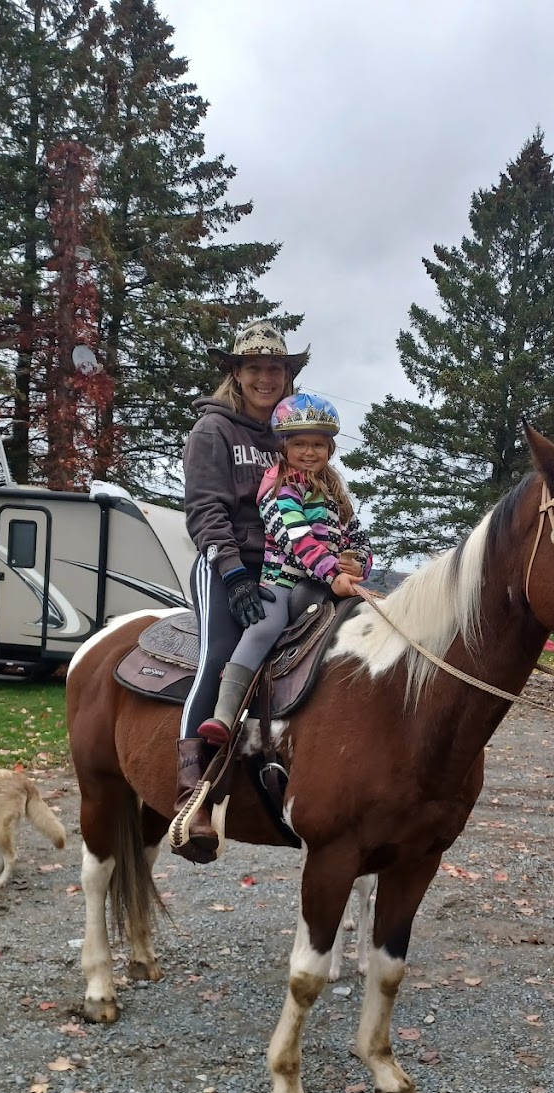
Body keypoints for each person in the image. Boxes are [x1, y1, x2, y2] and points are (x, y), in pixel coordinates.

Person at [174, 321, 310, 861]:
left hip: (289, 567)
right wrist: (231, 573)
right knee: (218, 657)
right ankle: (193, 792)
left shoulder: (292, 434)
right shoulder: (213, 432)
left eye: (275, 368)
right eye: (254, 367)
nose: (265, 377)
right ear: (236, 371)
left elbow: (317, 496)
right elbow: (204, 510)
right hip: (227, 564)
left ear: (287, 374)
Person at [197, 392, 373, 747]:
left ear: (330, 449)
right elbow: (298, 540)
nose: (310, 452)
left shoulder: (335, 490)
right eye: (301, 444)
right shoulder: (280, 488)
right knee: (264, 628)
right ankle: (225, 712)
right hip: (283, 581)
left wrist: (359, 562)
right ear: (284, 446)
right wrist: (332, 574)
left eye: (319, 445)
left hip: (327, 584)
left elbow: (356, 533)